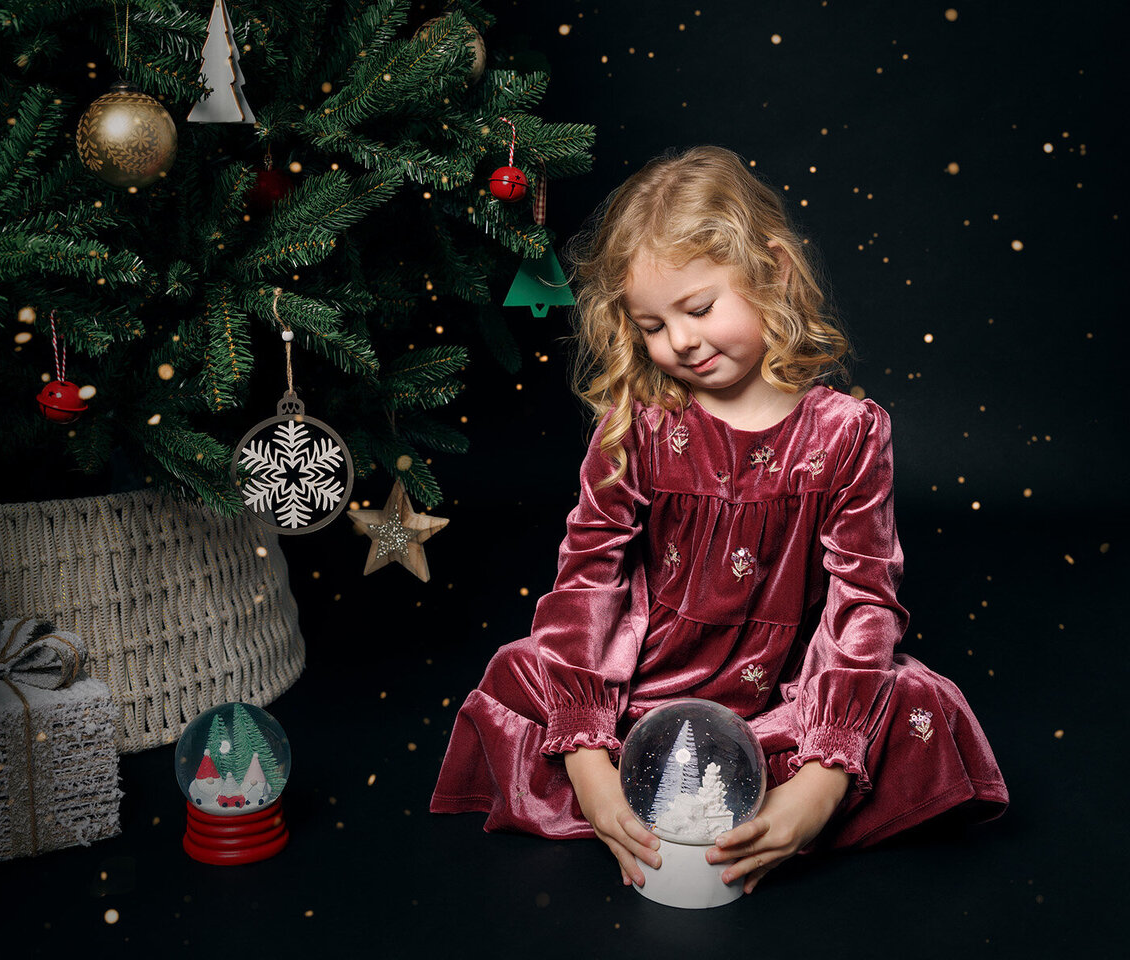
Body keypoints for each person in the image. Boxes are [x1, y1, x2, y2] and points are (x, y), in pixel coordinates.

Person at [430, 146, 1007, 894]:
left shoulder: (847, 432)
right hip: (649, 677)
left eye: (698, 309)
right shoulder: (637, 423)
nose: (682, 342)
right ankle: (623, 794)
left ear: (774, 272)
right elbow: (587, 577)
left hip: (785, 688)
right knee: (525, 671)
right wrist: (588, 760)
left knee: (917, 701)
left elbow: (865, 599)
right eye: (652, 325)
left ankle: (789, 806)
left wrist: (823, 780)